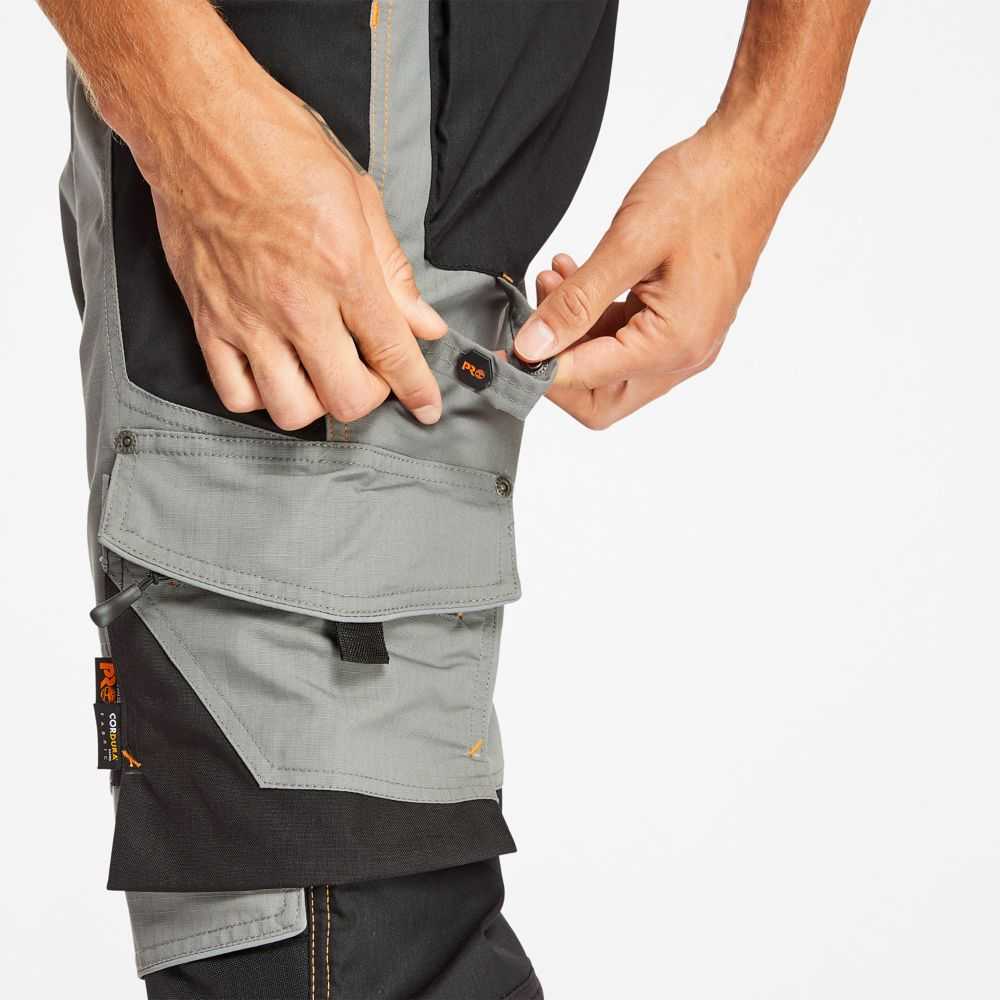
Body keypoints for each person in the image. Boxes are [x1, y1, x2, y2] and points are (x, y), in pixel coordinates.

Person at [39, 1, 869, 997]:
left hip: (455, 197)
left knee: (380, 916)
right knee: (347, 922)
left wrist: (764, 136)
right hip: (291, 170)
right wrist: (188, 110)